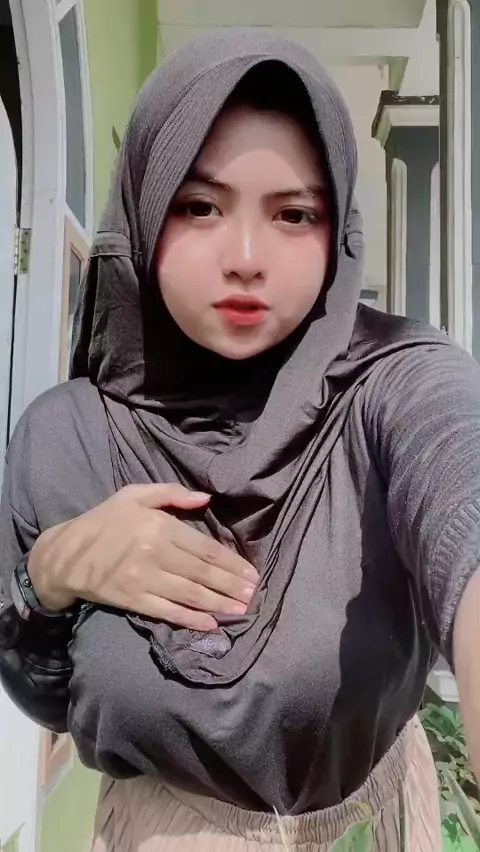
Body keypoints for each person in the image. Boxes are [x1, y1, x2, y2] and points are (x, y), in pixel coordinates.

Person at [0, 28, 479, 852]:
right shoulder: (67, 435)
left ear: (336, 230)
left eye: (294, 214)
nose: (247, 259)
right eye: (200, 206)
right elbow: (45, 693)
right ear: (145, 209)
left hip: (374, 821)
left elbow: (462, 498)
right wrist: (51, 576)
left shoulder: (392, 383)